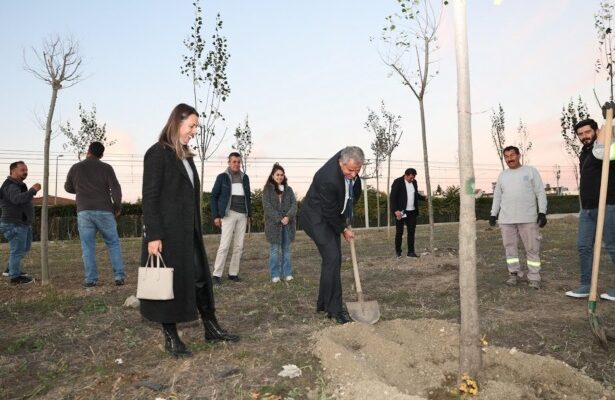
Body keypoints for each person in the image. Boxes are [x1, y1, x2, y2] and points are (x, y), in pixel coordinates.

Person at [141, 103, 239, 358]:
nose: (194, 131)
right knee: (168, 282)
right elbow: (149, 198)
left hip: (188, 231)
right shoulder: (157, 154)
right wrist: (154, 235)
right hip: (167, 233)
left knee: (199, 277)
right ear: (177, 122)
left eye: (196, 126)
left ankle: (211, 327)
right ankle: (171, 337)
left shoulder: (185, 155)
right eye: (191, 126)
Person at [300, 146, 363, 324]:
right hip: (316, 218)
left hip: (332, 216)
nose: (353, 174)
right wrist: (343, 228)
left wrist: (346, 218)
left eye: (357, 170)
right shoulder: (327, 179)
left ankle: (322, 303)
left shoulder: (352, 170)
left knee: (332, 260)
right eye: (350, 170)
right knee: (333, 257)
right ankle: (334, 310)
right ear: (340, 163)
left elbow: (352, 195)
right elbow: (328, 211)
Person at [566, 111, 615, 300]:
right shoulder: (584, 152)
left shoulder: (606, 146)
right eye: (580, 134)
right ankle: (586, 285)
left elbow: (607, 151)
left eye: (587, 132)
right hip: (586, 210)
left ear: (596, 131)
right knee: (584, 246)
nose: (584, 136)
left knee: (612, 246)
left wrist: (609, 119)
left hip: (608, 205)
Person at [64, 142, 125, 287]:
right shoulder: (107, 168)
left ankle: (91, 279)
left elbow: (67, 187)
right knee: (113, 243)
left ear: (88, 151)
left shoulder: (75, 167)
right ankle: (118, 276)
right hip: (104, 210)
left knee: (87, 246)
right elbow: (116, 188)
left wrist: (81, 189)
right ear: (102, 154)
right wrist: (117, 206)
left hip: (84, 211)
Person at [489, 146, 547, 290]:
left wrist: (542, 212)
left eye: (512, 155)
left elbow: (540, 192)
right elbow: (497, 196)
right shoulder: (503, 175)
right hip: (506, 220)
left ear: (519, 155)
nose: (510, 159)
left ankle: (534, 277)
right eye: (506, 156)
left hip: (528, 218)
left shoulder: (531, 171)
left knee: (532, 248)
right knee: (510, 249)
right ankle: (513, 273)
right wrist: (493, 213)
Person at [211, 152, 252, 284]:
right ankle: (216, 275)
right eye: (234, 161)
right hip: (228, 215)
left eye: (239, 162)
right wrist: (216, 216)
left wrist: (249, 215)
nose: (236, 164)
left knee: (239, 246)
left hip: (242, 215)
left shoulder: (245, 178)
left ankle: (233, 273)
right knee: (224, 246)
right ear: (228, 162)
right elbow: (214, 197)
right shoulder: (222, 177)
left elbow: (248, 198)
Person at [0, 161, 40, 285]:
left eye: (26, 170)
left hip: (22, 224)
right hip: (14, 224)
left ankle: (10, 269)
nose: (25, 172)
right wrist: (33, 190)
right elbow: (17, 200)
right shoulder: (11, 186)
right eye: (22, 170)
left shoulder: (19, 185)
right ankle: (15, 278)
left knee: (24, 248)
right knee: (17, 250)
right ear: (13, 171)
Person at [262, 163, 297, 283]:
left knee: (286, 249)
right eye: (277, 174)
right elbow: (267, 206)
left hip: (288, 224)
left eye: (282, 175)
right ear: (272, 176)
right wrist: (279, 218)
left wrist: (288, 216)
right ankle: (275, 274)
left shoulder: (289, 189)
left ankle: (287, 273)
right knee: (275, 250)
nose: (280, 177)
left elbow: (294, 205)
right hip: (274, 225)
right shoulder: (267, 190)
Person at [390, 168, 427, 258]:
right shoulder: (398, 182)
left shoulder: (414, 182)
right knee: (399, 232)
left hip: (412, 212)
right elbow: (393, 197)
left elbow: (415, 194)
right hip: (401, 212)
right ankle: (398, 252)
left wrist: (424, 198)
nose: (412, 179)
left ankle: (411, 252)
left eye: (413, 177)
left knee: (411, 232)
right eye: (410, 177)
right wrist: (395, 210)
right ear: (406, 175)